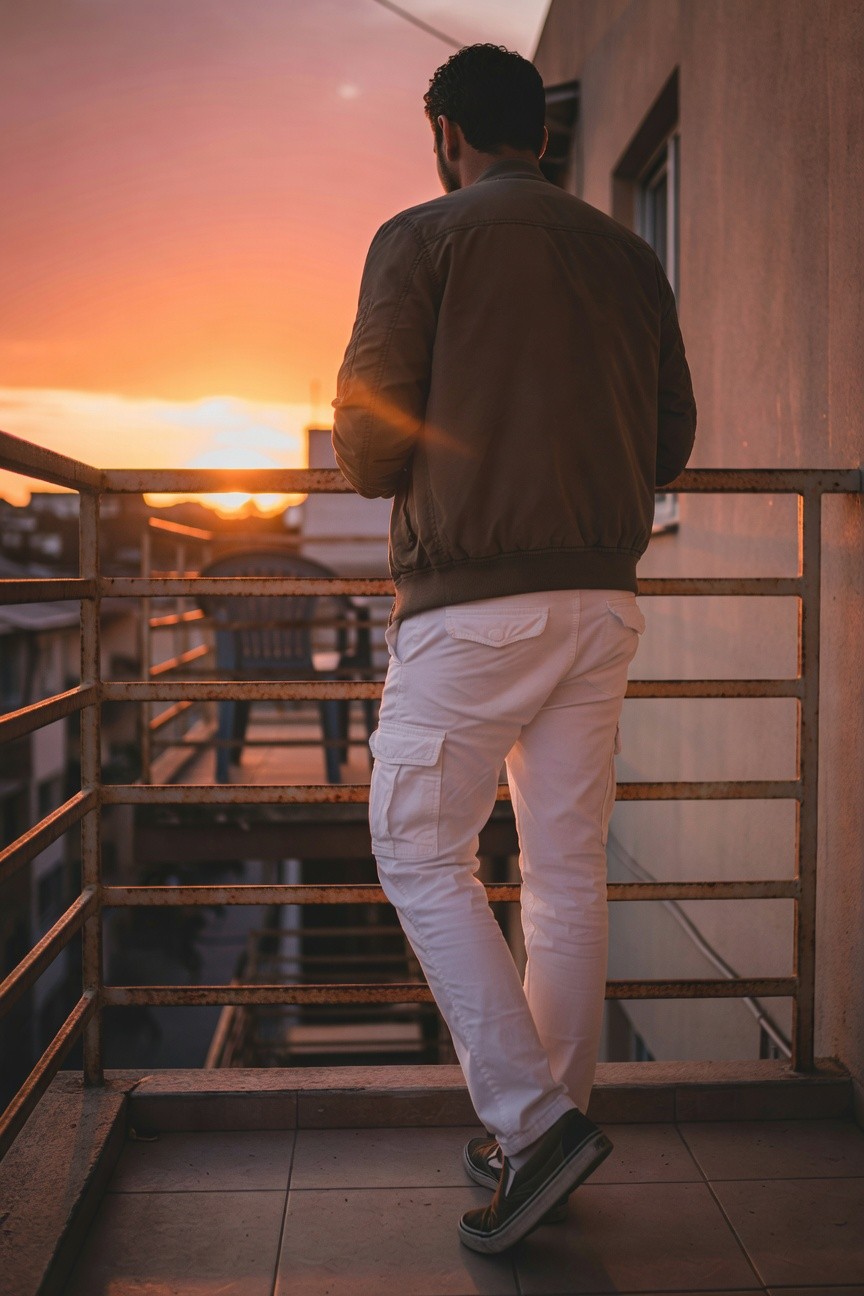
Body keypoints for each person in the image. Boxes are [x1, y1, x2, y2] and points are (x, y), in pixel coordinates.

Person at [332, 43, 696, 1254]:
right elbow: (672, 439)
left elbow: (371, 450)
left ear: (446, 132)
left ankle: (533, 1125)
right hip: (599, 598)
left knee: (415, 842)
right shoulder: (629, 251)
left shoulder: (422, 238)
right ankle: (551, 1123)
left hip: (471, 601)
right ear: (534, 134)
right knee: (563, 868)